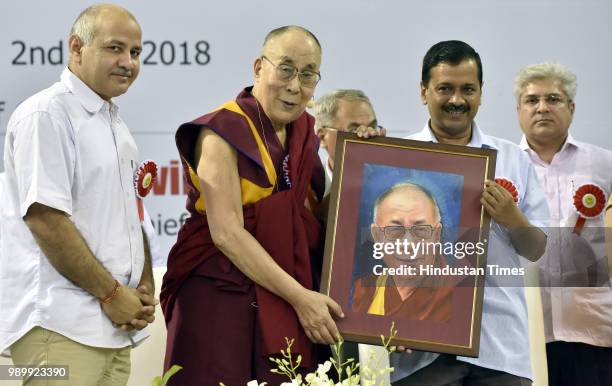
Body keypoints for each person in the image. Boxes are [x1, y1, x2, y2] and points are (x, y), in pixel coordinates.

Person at [160, 26, 381, 386]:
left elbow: (310, 222)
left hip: (280, 294)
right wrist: (300, 298)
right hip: (222, 292)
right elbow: (227, 233)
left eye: (308, 75)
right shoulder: (221, 132)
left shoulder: (303, 132)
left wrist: (357, 168)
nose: (296, 85)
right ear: (259, 67)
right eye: (286, 69)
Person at [0, 4, 156, 386]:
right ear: (76, 48)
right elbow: (46, 220)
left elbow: (134, 218)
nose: (128, 62)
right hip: (57, 327)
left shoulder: (115, 125)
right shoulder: (46, 114)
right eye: (114, 48)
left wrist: (144, 287)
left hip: (113, 330)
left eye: (135, 53)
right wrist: (112, 295)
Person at [390, 40, 549, 386]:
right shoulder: (395, 159)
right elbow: (372, 250)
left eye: (468, 89)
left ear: (481, 93)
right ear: (423, 91)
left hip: (499, 345)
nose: (457, 100)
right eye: (445, 88)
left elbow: (537, 249)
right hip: (418, 351)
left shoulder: (512, 158)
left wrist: (512, 216)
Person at [514, 62, 612, 386]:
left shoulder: (605, 164)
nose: (542, 108)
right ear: (518, 110)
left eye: (553, 99)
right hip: (525, 337)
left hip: (595, 332)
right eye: (531, 100)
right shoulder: (504, 166)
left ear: (571, 107)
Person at [351, 182, 453, 321]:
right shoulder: (366, 290)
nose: (408, 244)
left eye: (421, 230)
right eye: (394, 230)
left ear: (436, 235)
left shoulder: (458, 295)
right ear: (376, 235)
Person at [313, 89, 380, 194]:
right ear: (322, 138)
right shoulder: (307, 194)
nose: (368, 134)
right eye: (354, 130)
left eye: (373, 127)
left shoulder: (395, 184)